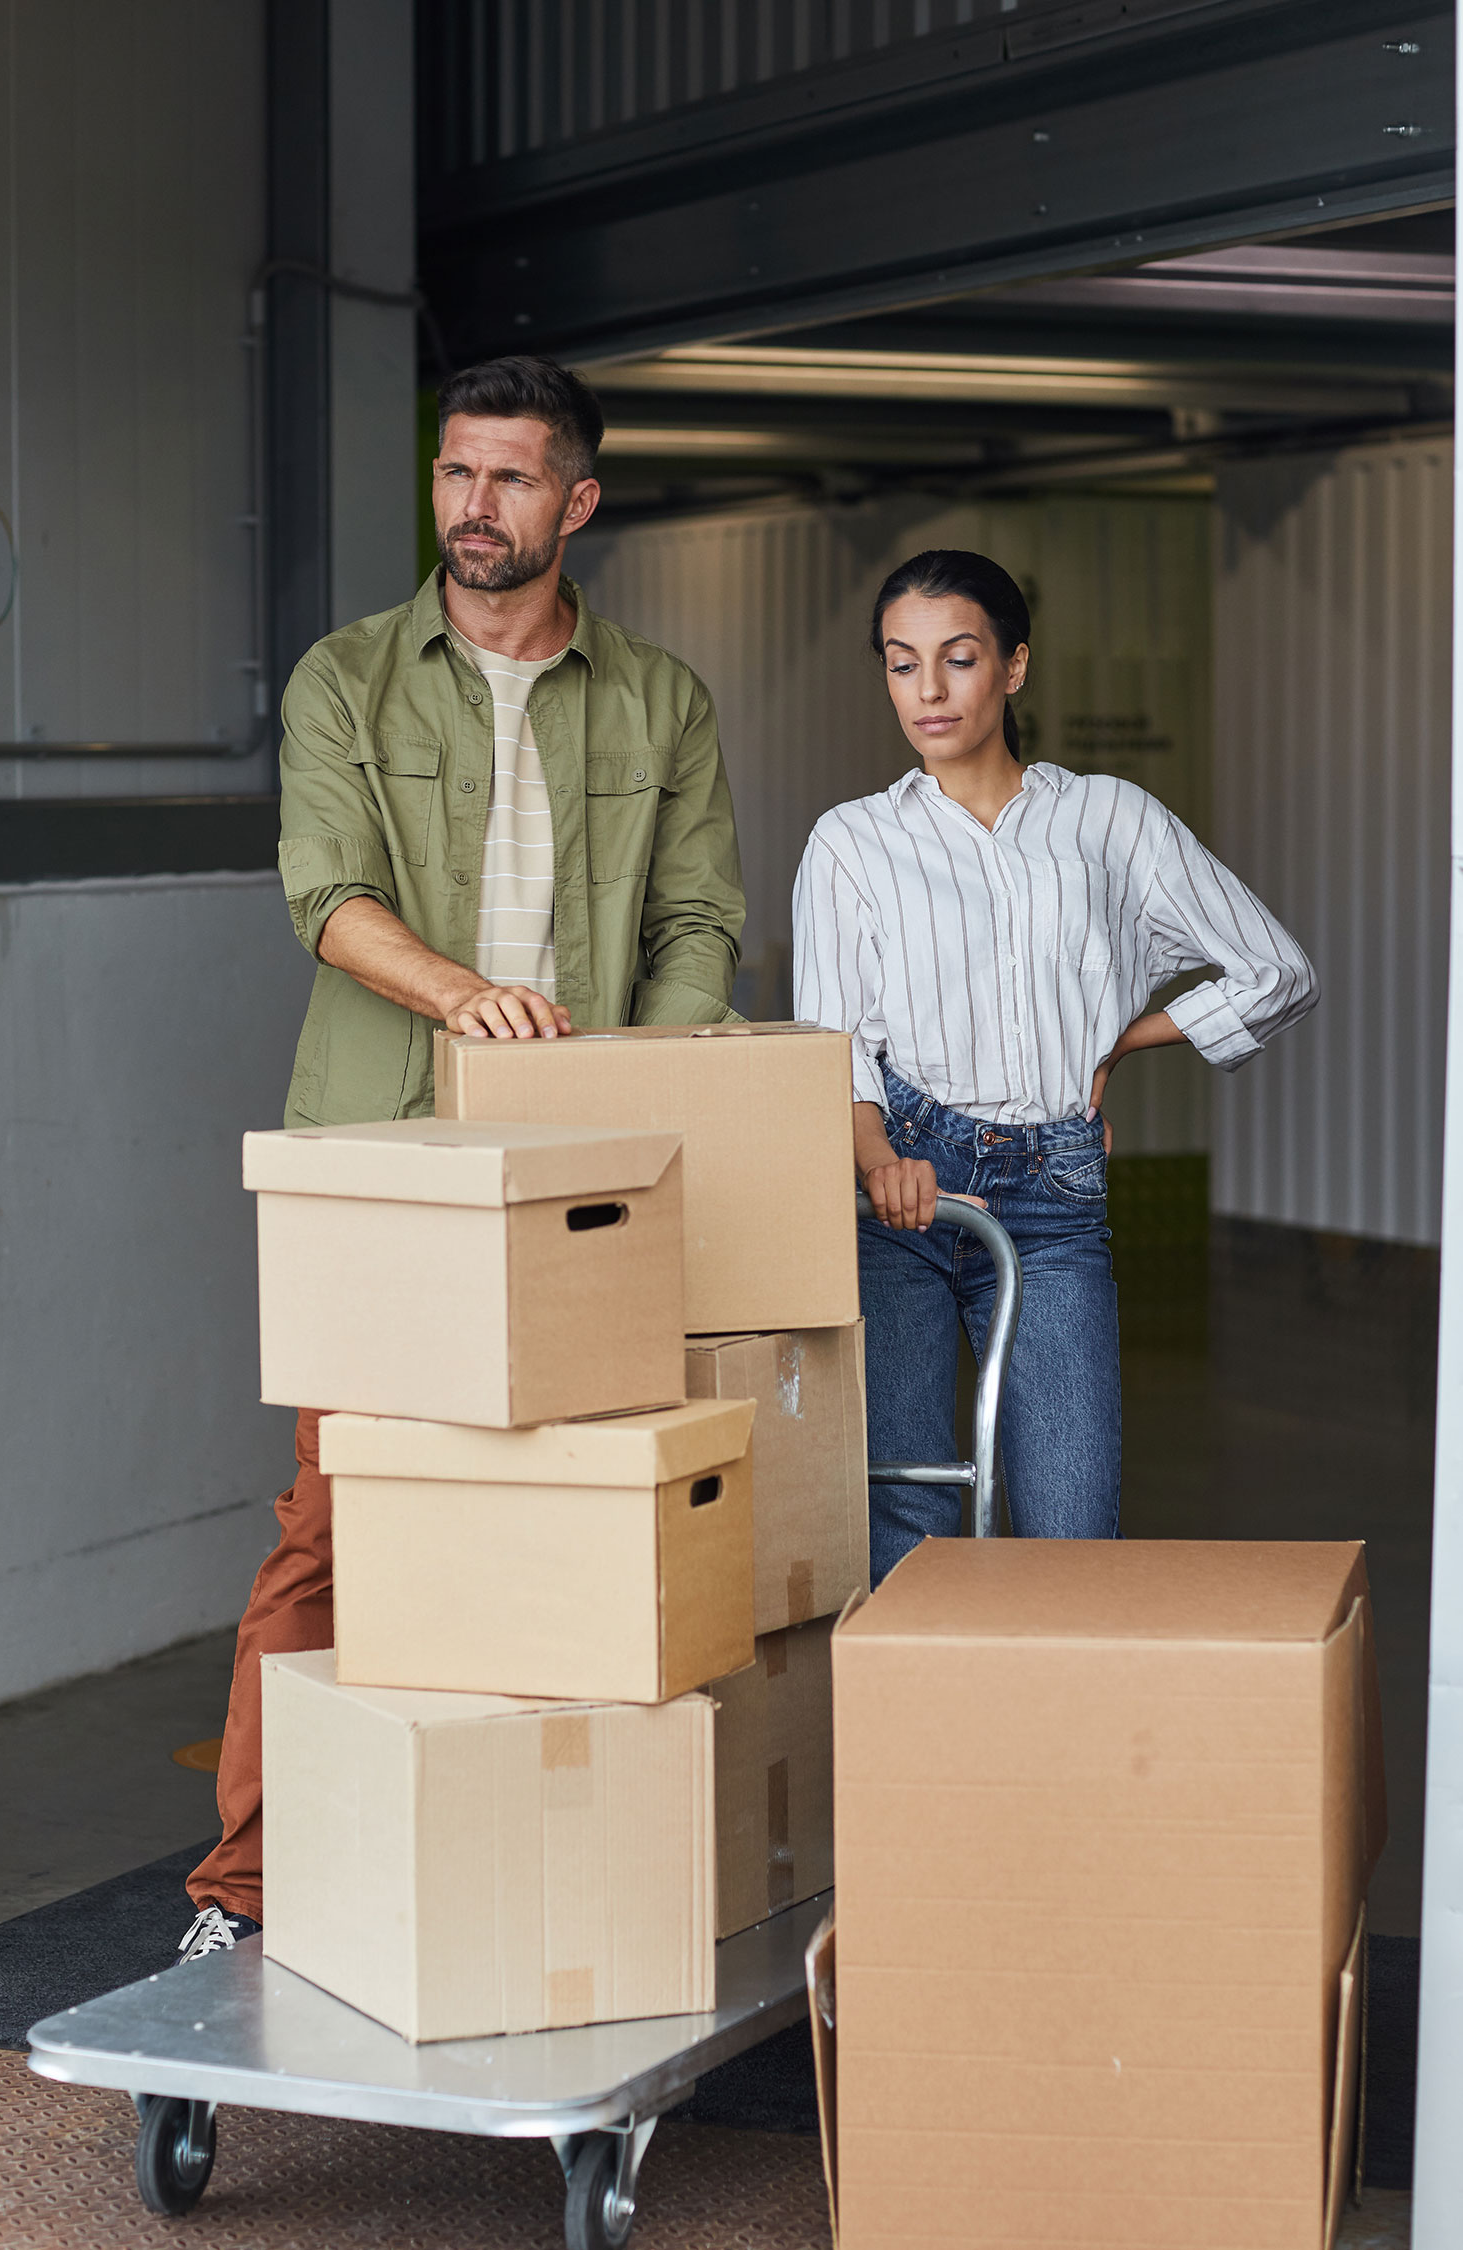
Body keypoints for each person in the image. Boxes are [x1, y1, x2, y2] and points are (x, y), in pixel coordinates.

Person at [179, 356, 745, 1959]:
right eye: (453, 474)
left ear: (577, 502)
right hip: (384, 1172)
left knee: (581, 1518)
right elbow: (327, 894)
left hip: (594, 1182)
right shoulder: (346, 679)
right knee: (334, 1519)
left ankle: (550, 1879)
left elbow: (701, 915)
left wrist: (629, 1077)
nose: (471, 508)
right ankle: (245, 1894)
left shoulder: (660, 698)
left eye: (507, 480)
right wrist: (470, 1005)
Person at [792, 549, 1316, 1584]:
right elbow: (834, 1038)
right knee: (904, 1500)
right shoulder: (852, 842)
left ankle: (1052, 1738)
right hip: (902, 1189)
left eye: (959, 658)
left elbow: (1277, 971)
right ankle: (926, 1738)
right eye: (902, 665)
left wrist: (1122, 1039)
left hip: (1056, 1191)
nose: (929, 692)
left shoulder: (1110, 822)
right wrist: (875, 1159)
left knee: (1074, 1521)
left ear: (1015, 666)